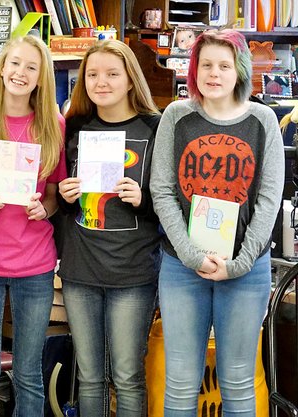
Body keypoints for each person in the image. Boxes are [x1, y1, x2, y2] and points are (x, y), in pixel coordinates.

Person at [150, 29, 283, 416]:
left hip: (246, 268)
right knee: (180, 382)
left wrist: (239, 263)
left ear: (239, 70)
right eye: (205, 64)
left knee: (238, 382)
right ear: (193, 70)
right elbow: (162, 192)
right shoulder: (176, 116)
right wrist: (191, 256)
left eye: (224, 65)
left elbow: (268, 200)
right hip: (181, 266)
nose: (214, 73)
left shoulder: (263, 121)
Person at [57, 39, 162, 417]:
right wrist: (63, 196)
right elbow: (54, 202)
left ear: (131, 80)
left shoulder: (156, 128)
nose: (101, 82)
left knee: (128, 375)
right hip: (80, 270)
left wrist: (143, 197)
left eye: (112, 74)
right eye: (93, 75)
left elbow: (171, 201)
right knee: (89, 377)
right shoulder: (73, 127)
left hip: (133, 272)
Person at [0, 35, 65, 416]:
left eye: (31, 67)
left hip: (35, 264)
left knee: (28, 374)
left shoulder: (53, 123)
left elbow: (53, 195)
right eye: (15, 63)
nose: (21, 73)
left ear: (41, 78)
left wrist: (46, 209)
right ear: (2, 67)